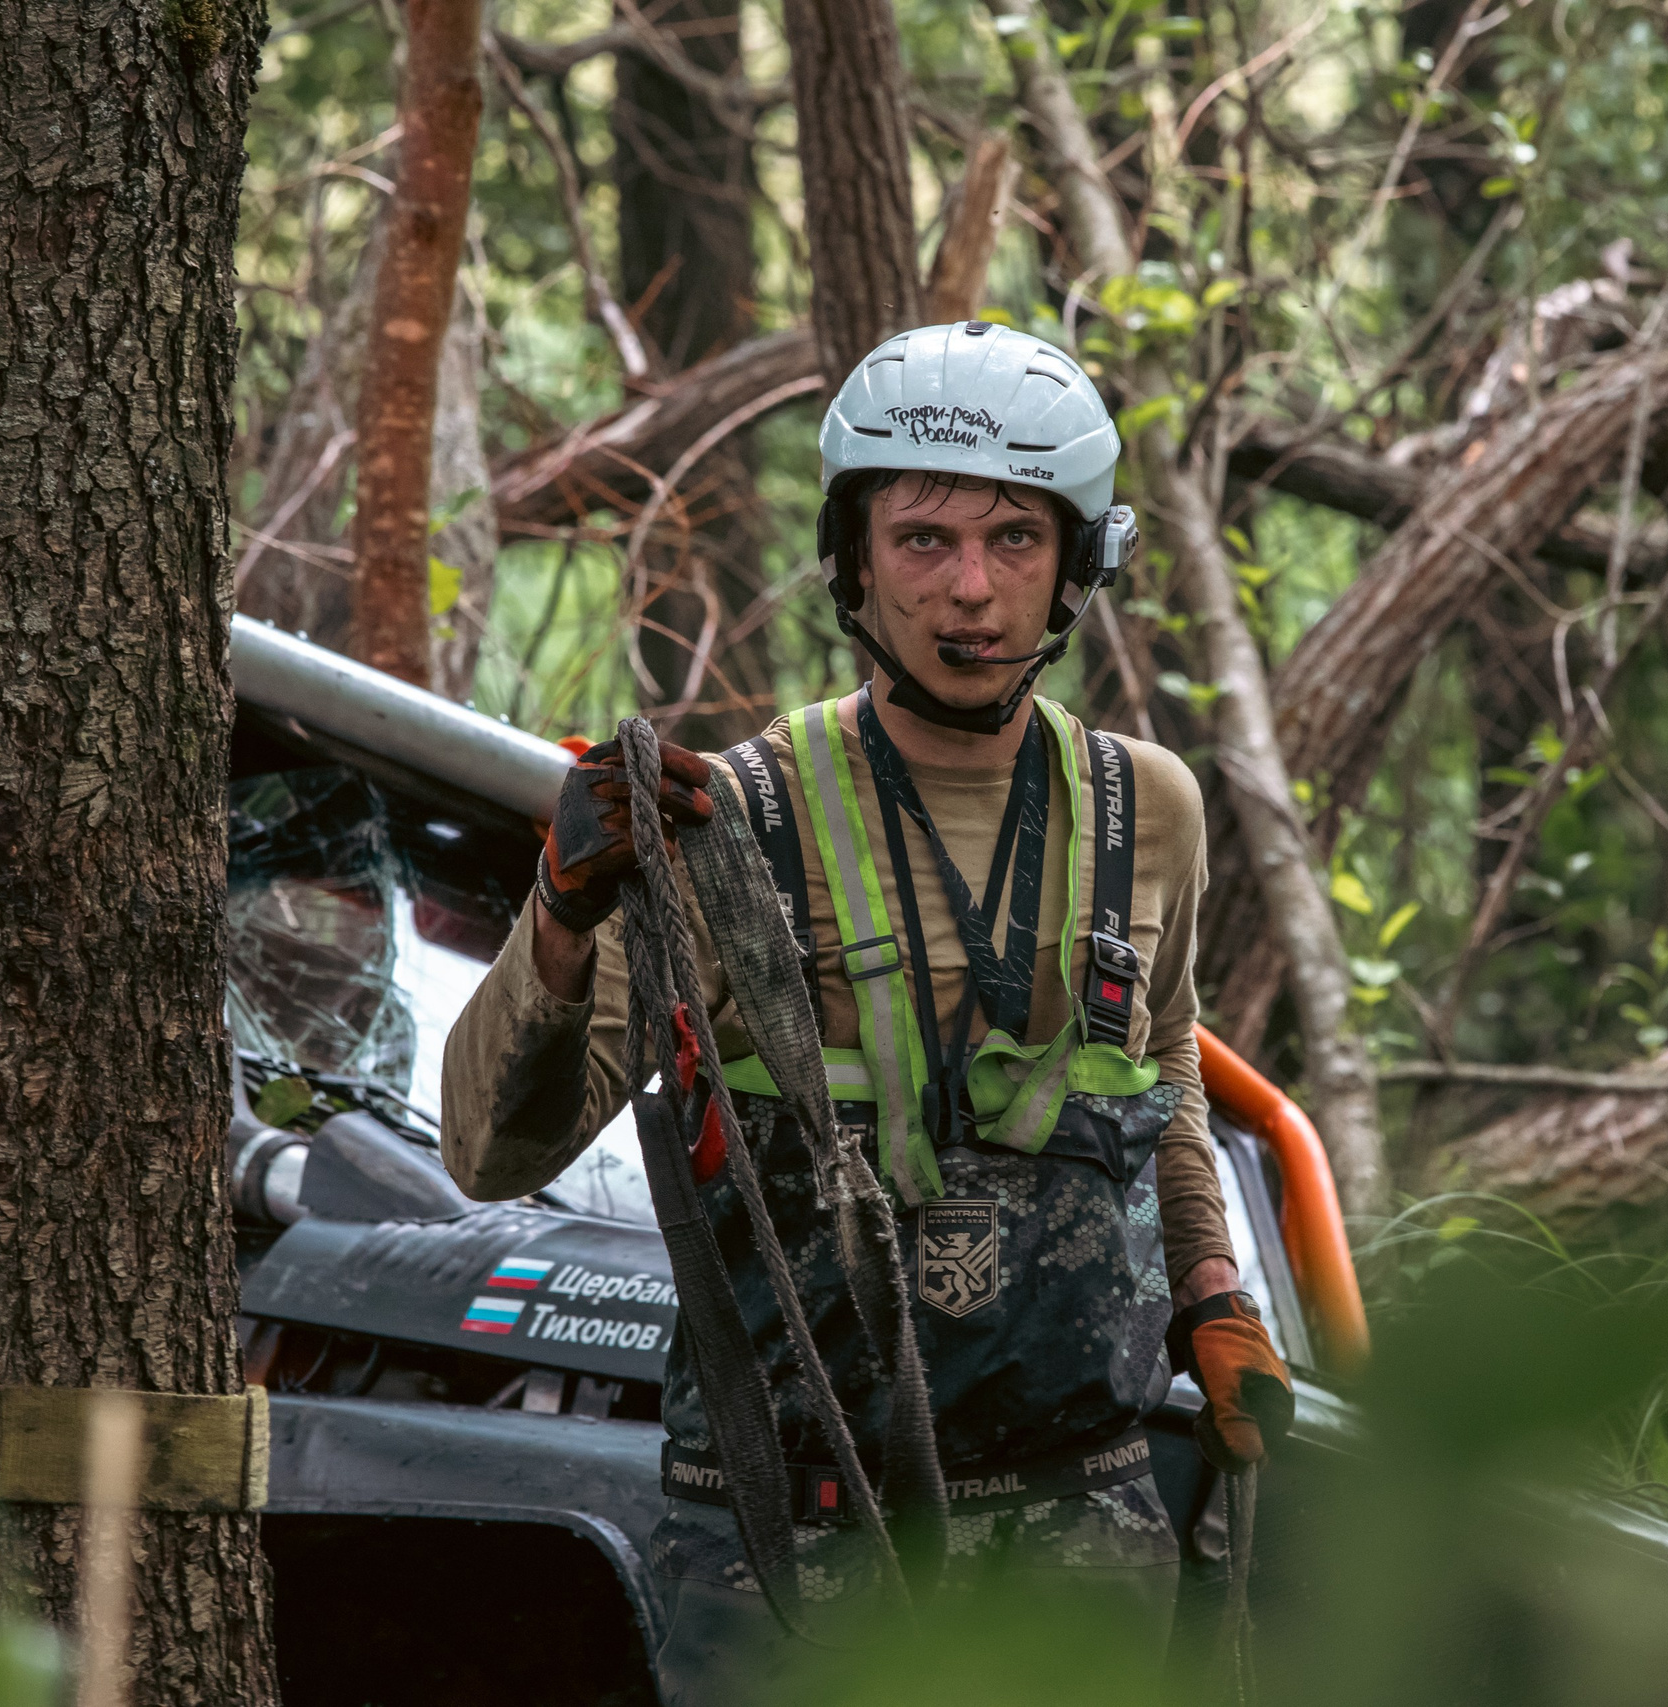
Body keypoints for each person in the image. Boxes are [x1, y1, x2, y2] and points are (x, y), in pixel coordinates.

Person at [442, 322, 1292, 1700]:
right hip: (796, 1550)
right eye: (922, 540)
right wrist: (561, 910)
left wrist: (1211, 1290)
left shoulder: (1154, 814)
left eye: (1017, 540)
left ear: (1080, 563)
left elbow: (1164, 1071)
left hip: (1077, 1536)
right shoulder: (733, 826)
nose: (971, 590)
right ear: (853, 558)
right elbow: (491, 1153)